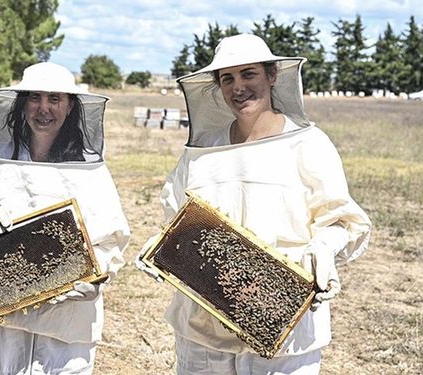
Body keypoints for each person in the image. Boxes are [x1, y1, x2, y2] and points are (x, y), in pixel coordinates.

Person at [136, 34, 372, 374]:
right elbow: (178, 216)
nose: (238, 87)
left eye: (249, 74)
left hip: (284, 335)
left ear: (272, 75)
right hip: (203, 333)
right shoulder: (202, 154)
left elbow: (343, 220)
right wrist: (165, 245)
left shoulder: (308, 145)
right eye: (227, 78)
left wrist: (325, 244)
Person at [0, 62, 130, 375]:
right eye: (35, 98)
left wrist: (94, 278)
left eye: (54, 99)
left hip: (65, 325)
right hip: (2, 321)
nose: (44, 108)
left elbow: (112, 239)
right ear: (22, 104)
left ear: (70, 106)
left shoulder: (89, 168)